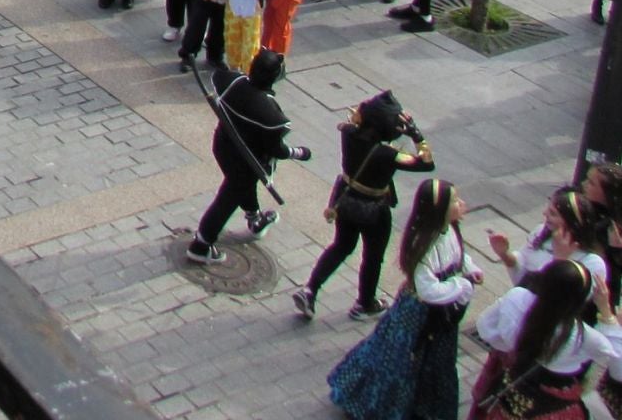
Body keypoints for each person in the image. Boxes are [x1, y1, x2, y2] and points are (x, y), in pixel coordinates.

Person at [326, 178, 481, 420]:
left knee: (437, 365)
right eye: (454, 201)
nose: (461, 204)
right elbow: (428, 290)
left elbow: (459, 256)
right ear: (439, 209)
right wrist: (460, 284)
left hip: (441, 316)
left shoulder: (450, 229)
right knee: (400, 362)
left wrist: (469, 269)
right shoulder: (423, 246)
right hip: (418, 315)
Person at [293, 92, 435, 321]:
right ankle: (365, 303)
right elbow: (426, 163)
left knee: (341, 246)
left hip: (346, 201)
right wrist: (415, 133)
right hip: (375, 209)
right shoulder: (388, 154)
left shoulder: (348, 134)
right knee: (372, 256)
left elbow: (354, 122)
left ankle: (310, 290)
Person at [187, 49, 308, 264]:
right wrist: (298, 152)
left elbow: (220, 76)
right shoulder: (269, 113)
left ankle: (255, 218)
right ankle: (202, 244)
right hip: (246, 162)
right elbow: (277, 149)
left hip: (222, 147)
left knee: (240, 189)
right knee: (227, 199)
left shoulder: (233, 82)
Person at [468, 258, 622, 418]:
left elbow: (485, 327)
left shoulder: (517, 298)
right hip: (554, 406)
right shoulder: (581, 335)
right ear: (578, 301)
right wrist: (605, 310)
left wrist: (511, 346)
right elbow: (615, 350)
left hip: (515, 389)